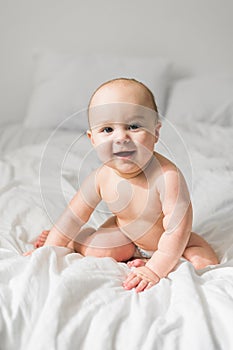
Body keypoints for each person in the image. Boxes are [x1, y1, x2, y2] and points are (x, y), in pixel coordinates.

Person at [24, 78, 219, 293]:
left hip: (172, 240)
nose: (121, 138)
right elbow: (72, 217)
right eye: (107, 129)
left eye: (134, 126)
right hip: (127, 235)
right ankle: (77, 241)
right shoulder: (101, 177)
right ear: (92, 139)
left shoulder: (167, 177)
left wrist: (155, 268)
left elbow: (176, 230)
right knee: (97, 250)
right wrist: (52, 247)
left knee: (206, 263)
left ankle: (158, 261)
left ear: (156, 132)